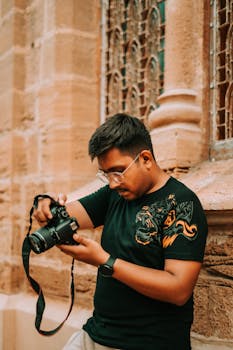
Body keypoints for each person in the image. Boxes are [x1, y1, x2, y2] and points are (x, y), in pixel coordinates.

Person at [33, 113, 208, 350]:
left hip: (148, 343)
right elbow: (69, 215)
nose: (113, 183)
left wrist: (105, 261)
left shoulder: (181, 204)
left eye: (118, 172)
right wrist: (47, 208)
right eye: (106, 175)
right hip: (96, 334)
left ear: (145, 158)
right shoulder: (115, 194)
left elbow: (178, 290)